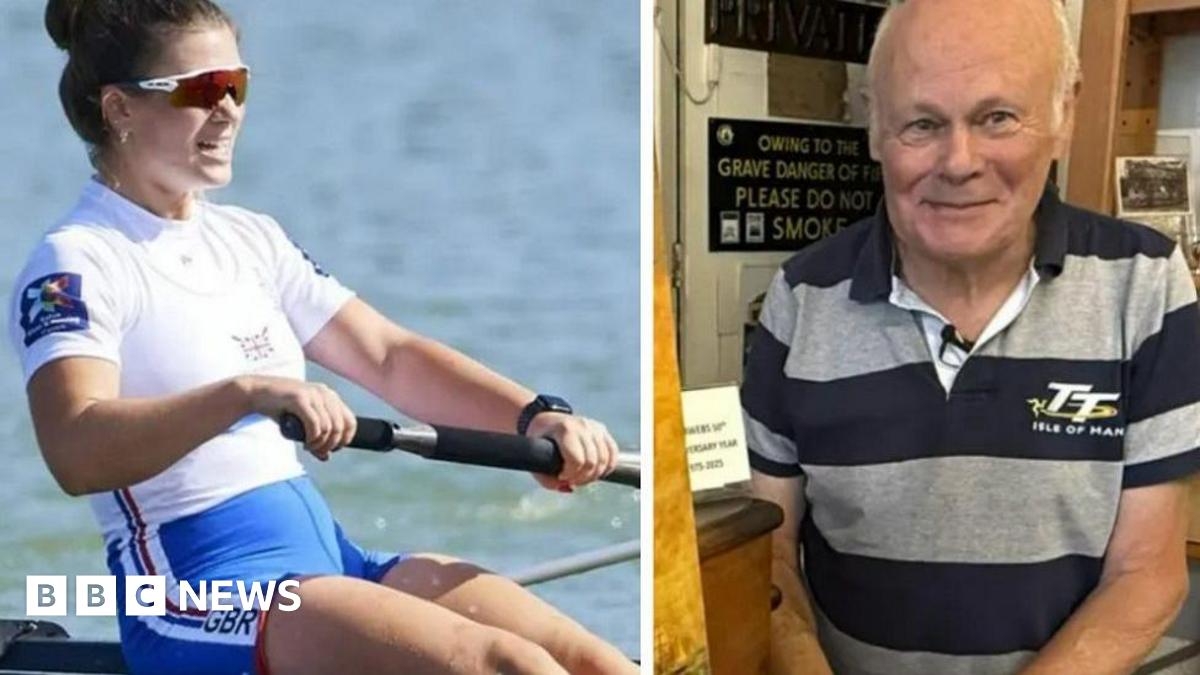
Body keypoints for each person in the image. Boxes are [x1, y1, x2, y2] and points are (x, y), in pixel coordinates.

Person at [10, 1, 637, 674]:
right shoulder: (76, 261)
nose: (227, 110)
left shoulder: (251, 239)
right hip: (196, 594)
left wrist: (535, 415)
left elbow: (389, 357)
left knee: (596, 663)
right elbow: (75, 450)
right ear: (119, 109)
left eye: (237, 85)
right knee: (505, 664)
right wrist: (243, 393)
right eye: (200, 89)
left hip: (331, 562)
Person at [741, 0, 1200, 673]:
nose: (959, 162)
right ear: (875, 126)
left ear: (1064, 115)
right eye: (922, 123)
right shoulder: (799, 301)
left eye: (997, 118)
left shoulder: (1149, 289)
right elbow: (769, 557)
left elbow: (1147, 573)